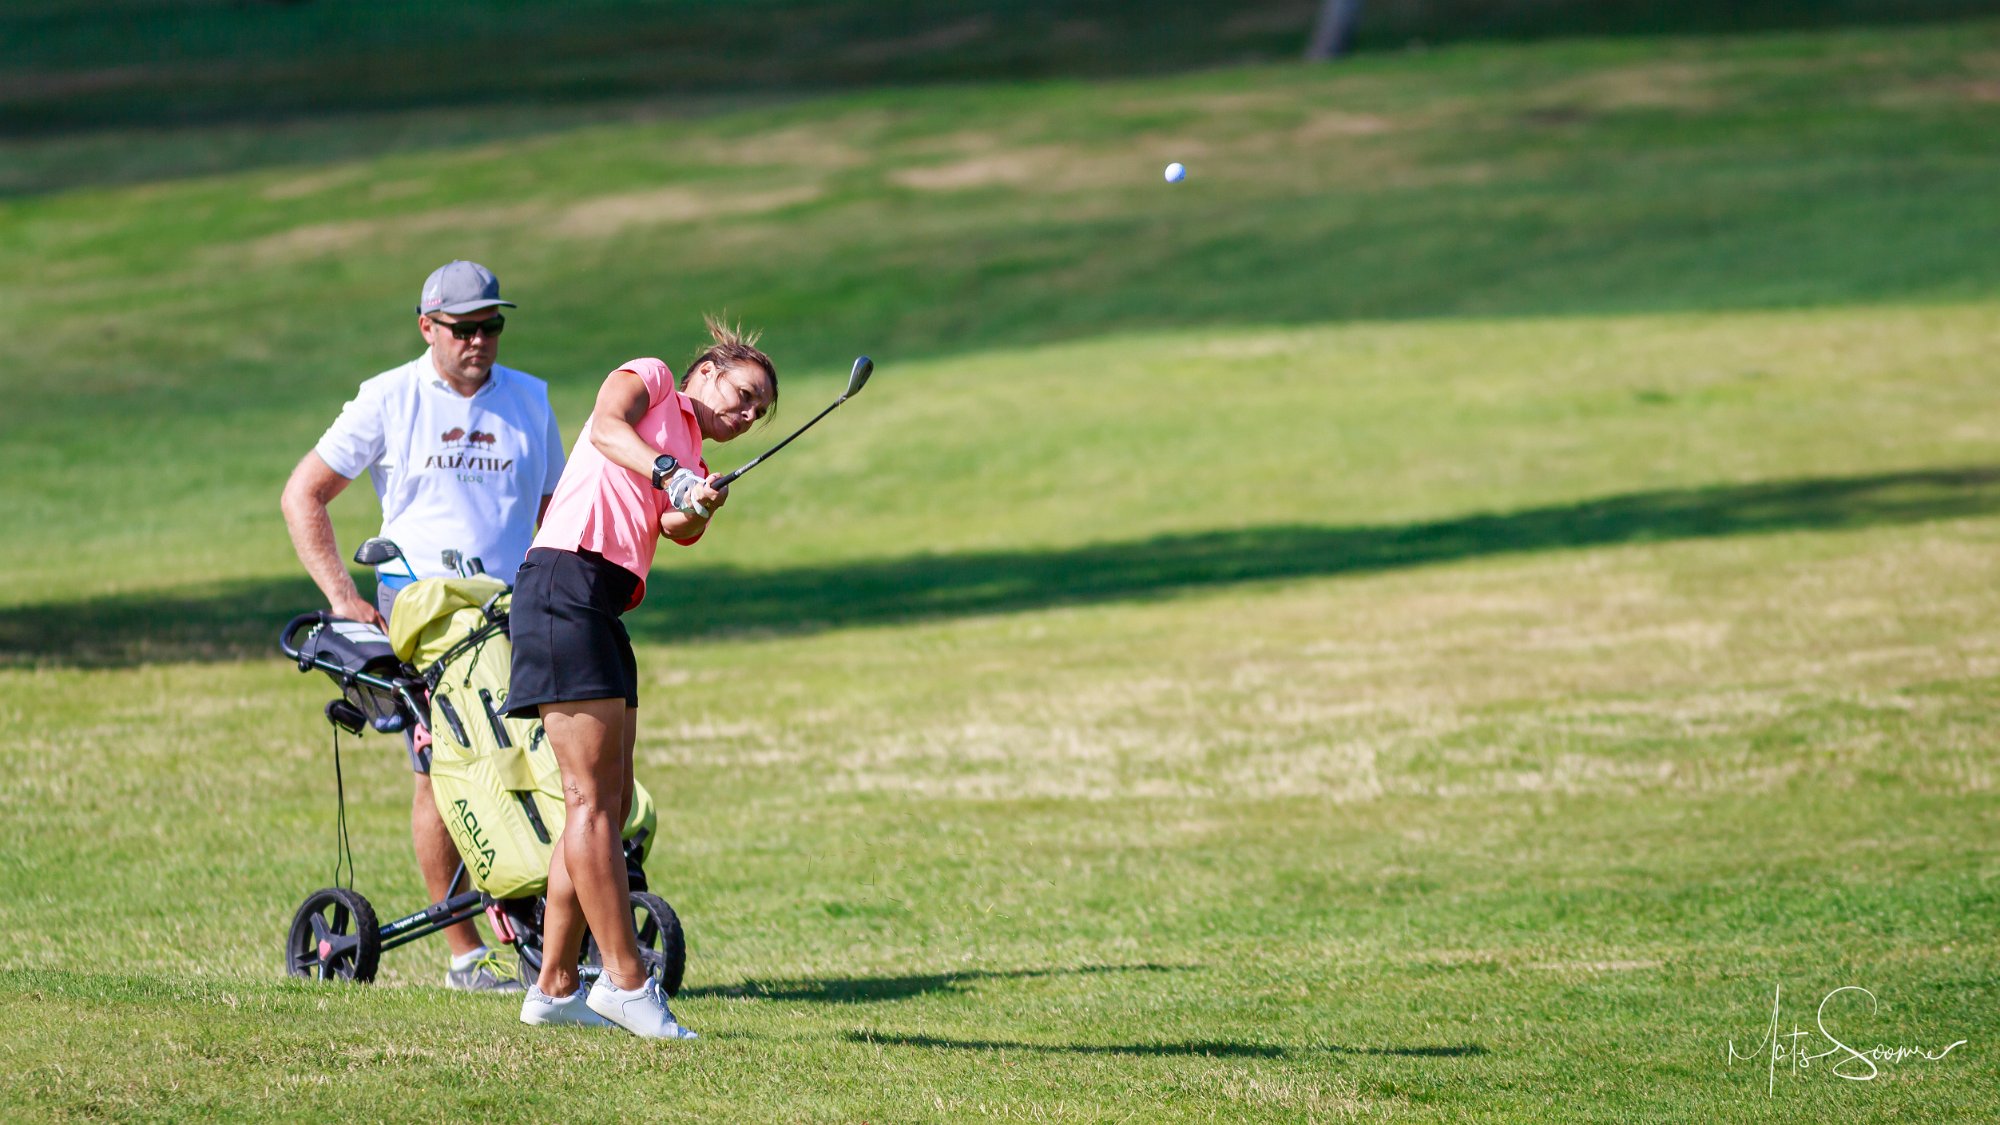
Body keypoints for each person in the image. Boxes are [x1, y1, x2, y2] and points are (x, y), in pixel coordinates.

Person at [280, 260, 565, 992]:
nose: (480, 341)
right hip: (423, 608)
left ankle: (552, 930)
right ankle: (465, 952)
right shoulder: (389, 396)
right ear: (426, 327)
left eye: (491, 326)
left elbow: (553, 515)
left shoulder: (530, 399)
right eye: (464, 328)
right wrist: (344, 597)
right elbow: (304, 494)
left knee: (533, 764)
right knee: (443, 771)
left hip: (509, 609)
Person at [508, 317, 777, 1038]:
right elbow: (603, 428)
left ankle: (557, 985)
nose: (748, 415)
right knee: (591, 801)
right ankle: (626, 982)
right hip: (566, 576)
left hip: (604, 598)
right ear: (709, 371)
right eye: (745, 394)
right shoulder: (653, 377)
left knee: (606, 802)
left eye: (758, 414)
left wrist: (698, 503)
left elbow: (675, 527)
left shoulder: (690, 450)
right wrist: (671, 472)